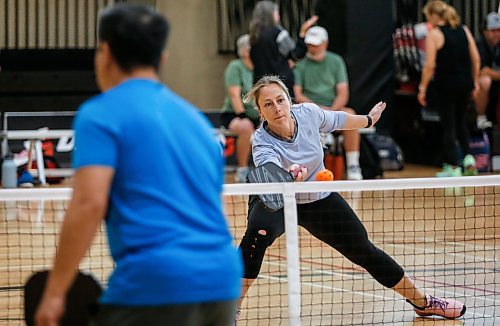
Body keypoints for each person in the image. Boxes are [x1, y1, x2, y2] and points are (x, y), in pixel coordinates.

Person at [35, 4, 242, 326]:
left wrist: (55, 292)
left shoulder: (101, 113)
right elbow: (219, 208)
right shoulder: (197, 122)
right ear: (162, 58)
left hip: (156, 282)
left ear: (104, 54)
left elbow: (88, 202)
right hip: (223, 281)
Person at [236, 75, 466, 322]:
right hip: (277, 198)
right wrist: (289, 176)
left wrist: (368, 120)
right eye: (268, 104)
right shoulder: (261, 141)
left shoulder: (309, 114)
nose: (277, 107)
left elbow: (339, 119)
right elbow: (269, 171)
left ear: (289, 101)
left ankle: (423, 302)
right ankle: (230, 308)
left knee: (364, 250)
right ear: (260, 111)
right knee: (255, 240)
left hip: (316, 197)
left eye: (280, 100)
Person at [417, 0, 480, 177]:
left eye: (428, 16)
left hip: (446, 85)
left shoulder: (434, 34)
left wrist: (422, 88)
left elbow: (429, 65)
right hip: (465, 83)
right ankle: (469, 160)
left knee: (449, 125)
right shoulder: (464, 30)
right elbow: (475, 59)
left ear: (433, 16)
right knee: (461, 122)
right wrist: (474, 82)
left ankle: (453, 167)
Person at [294, 26, 363, 180]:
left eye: (316, 43)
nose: (313, 47)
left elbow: (343, 93)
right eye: (310, 43)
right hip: (308, 111)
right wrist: (317, 110)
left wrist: (330, 112)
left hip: (333, 109)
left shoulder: (336, 61)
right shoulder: (300, 65)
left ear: (325, 43)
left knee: (351, 115)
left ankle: (353, 165)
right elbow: (298, 95)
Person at [248, 0, 318, 99]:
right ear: (271, 14)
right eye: (276, 12)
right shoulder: (278, 32)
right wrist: (302, 33)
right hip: (280, 82)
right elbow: (296, 55)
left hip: (261, 83)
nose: (278, 15)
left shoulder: (254, 35)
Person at [221, 34, 258, 183]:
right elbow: (234, 94)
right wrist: (243, 116)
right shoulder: (235, 67)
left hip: (259, 114)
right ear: (245, 52)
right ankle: (242, 170)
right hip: (235, 114)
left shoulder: (261, 66)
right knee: (245, 127)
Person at [475, 12, 500, 129]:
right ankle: (481, 118)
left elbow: (488, 71)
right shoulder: (479, 44)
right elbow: (482, 71)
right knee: (484, 81)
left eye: (499, 30)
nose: (497, 34)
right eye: (493, 30)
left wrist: (491, 73)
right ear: (484, 31)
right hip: (483, 84)